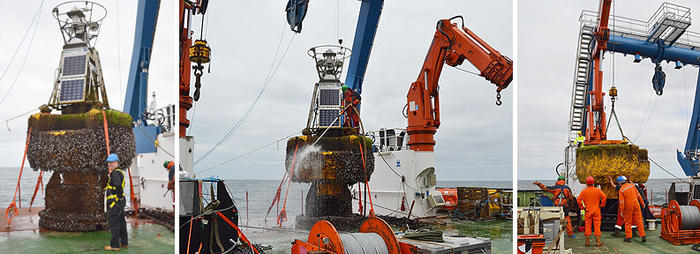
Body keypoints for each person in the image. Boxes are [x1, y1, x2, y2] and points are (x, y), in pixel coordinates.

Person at [104, 153, 127, 251]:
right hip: (119, 202)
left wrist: (120, 197)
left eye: (112, 162)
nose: (110, 164)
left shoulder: (115, 173)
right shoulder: (119, 172)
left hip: (116, 203)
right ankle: (124, 243)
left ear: (117, 162)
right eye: (109, 163)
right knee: (121, 222)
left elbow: (118, 186)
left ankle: (114, 245)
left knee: (114, 223)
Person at [577, 176, 607, 247]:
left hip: (588, 211)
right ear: (593, 183)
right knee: (597, 225)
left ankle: (587, 242)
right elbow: (604, 197)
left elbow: (578, 200)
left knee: (587, 225)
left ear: (586, 183)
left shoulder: (584, 191)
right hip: (596, 210)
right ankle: (598, 242)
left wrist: (582, 207)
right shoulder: (598, 190)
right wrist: (602, 205)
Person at [618, 176, 646, 243]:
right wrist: (642, 203)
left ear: (619, 183)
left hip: (628, 207)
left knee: (628, 222)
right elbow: (638, 195)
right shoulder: (632, 186)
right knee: (639, 220)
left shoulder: (621, 190)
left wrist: (621, 211)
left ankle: (628, 237)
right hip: (636, 205)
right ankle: (643, 236)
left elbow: (622, 202)